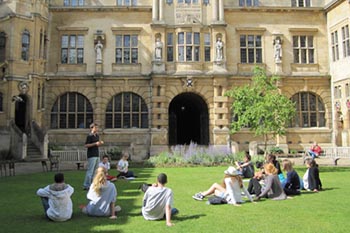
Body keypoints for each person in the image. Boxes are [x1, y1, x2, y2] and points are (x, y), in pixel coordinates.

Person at [83, 123, 104, 190]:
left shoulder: (97, 135)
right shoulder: (89, 136)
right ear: (92, 128)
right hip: (91, 155)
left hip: (96, 154)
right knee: (90, 171)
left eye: (97, 128)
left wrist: (99, 143)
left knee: (96, 171)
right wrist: (95, 143)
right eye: (95, 128)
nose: (97, 129)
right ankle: (86, 185)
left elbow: (96, 144)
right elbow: (86, 145)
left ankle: (93, 183)